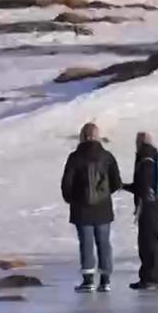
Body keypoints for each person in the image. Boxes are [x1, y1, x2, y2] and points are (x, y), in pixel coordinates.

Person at [60, 122, 124, 292]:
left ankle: (88, 281)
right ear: (97, 136)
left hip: (81, 208)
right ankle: (105, 281)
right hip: (103, 207)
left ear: (82, 136)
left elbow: (67, 183)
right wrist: (104, 193)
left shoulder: (75, 157)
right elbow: (117, 182)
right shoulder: (107, 157)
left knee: (86, 243)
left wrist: (70, 198)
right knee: (104, 242)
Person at [127, 131, 158, 291]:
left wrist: (126, 187)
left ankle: (153, 279)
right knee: (149, 241)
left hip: (149, 205)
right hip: (154, 204)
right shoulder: (152, 155)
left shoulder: (146, 157)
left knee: (148, 242)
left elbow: (143, 183)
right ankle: (148, 277)